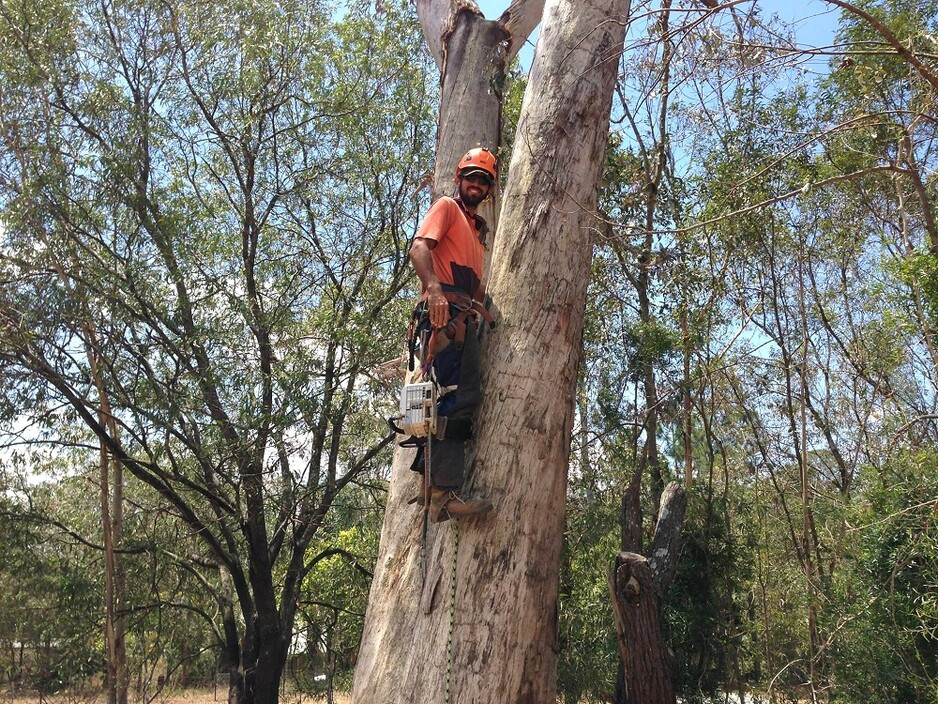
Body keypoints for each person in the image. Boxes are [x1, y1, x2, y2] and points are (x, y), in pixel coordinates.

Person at [407, 147, 497, 523]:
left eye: (483, 180)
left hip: (461, 316)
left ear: (488, 189)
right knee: (459, 397)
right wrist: (434, 291)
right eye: (471, 177)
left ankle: (430, 487)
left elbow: (472, 285)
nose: (476, 184)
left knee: (445, 397)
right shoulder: (446, 207)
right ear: (459, 179)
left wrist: (485, 309)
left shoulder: (475, 232)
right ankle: (443, 494)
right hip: (446, 316)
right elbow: (418, 248)